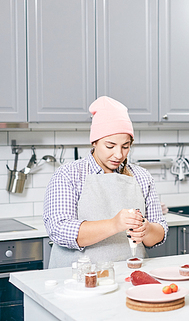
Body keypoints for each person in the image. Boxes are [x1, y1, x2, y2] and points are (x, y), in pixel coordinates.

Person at [44, 96, 168, 268]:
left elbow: (159, 232)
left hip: (129, 275)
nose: (118, 154)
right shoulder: (69, 174)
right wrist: (114, 224)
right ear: (94, 142)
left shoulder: (142, 176)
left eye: (125, 146)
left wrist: (146, 230)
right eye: (110, 146)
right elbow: (59, 230)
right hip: (78, 278)